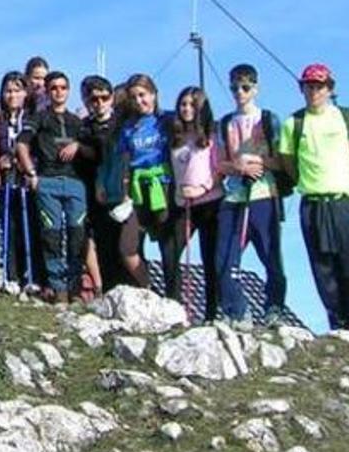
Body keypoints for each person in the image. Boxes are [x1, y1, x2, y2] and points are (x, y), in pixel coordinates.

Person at [216, 64, 287, 328]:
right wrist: (238, 167)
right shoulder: (224, 123)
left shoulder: (269, 119)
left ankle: (274, 307)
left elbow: (282, 161)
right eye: (235, 87)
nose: (239, 93)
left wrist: (259, 161)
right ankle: (236, 310)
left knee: (271, 256)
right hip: (234, 196)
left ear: (255, 88)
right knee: (225, 258)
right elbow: (219, 163)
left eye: (245, 87)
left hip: (264, 194)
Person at [279, 63, 349, 330]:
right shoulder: (293, 123)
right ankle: (338, 324)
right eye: (309, 86)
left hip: (343, 201)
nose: (314, 91)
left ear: (330, 88)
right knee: (323, 267)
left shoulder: (343, 118)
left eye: (319, 86)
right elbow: (287, 161)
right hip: (313, 202)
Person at [17, 71, 92, 303]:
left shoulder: (78, 122)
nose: (59, 92)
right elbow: (21, 144)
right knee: (51, 233)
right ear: (47, 92)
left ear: (68, 91)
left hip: (75, 182)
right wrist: (31, 173)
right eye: (54, 88)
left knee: (77, 233)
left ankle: (75, 287)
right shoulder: (39, 118)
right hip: (47, 180)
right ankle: (58, 287)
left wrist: (78, 145)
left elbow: (92, 151)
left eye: (63, 88)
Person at [118, 74, 180, 301]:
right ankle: (148, 291)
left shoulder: (168, 121)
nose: (139, 101)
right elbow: (125, 163)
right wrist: (125, 195)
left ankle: (174, 300)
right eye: (134, 97)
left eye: (142, 95)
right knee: (128, 246)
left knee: (168, 248)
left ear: (153, 94)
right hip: (137, 188)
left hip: (163, 186)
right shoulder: (128, 128)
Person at [168, 86, 224, 321]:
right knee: (170, 251)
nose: (187, 109)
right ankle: (173, 309)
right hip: (183, 204)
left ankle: (213, 313)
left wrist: (202, 188)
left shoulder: (212, 135)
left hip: (210, 202)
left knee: (210, 258)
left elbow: (221, 168)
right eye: (183, 104)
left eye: (192, 104)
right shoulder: (174, 137)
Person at [78, 75, 129, 291]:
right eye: (93, 99)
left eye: (104, 98)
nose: (99, 103)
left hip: (119, 190)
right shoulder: (83, 128)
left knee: (126, 245)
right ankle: (108, 291)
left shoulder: (122, 125)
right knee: (103, 245)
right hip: (93, 192)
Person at [0, 71, 36, 294]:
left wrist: (28, 163)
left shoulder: (32, 115)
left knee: (27, 224)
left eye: (17, 90)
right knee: (8, 225)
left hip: (27, 177)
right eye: (8, 90)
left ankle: (31, 274)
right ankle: (10, 275)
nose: (12, 95)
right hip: (6, 177)